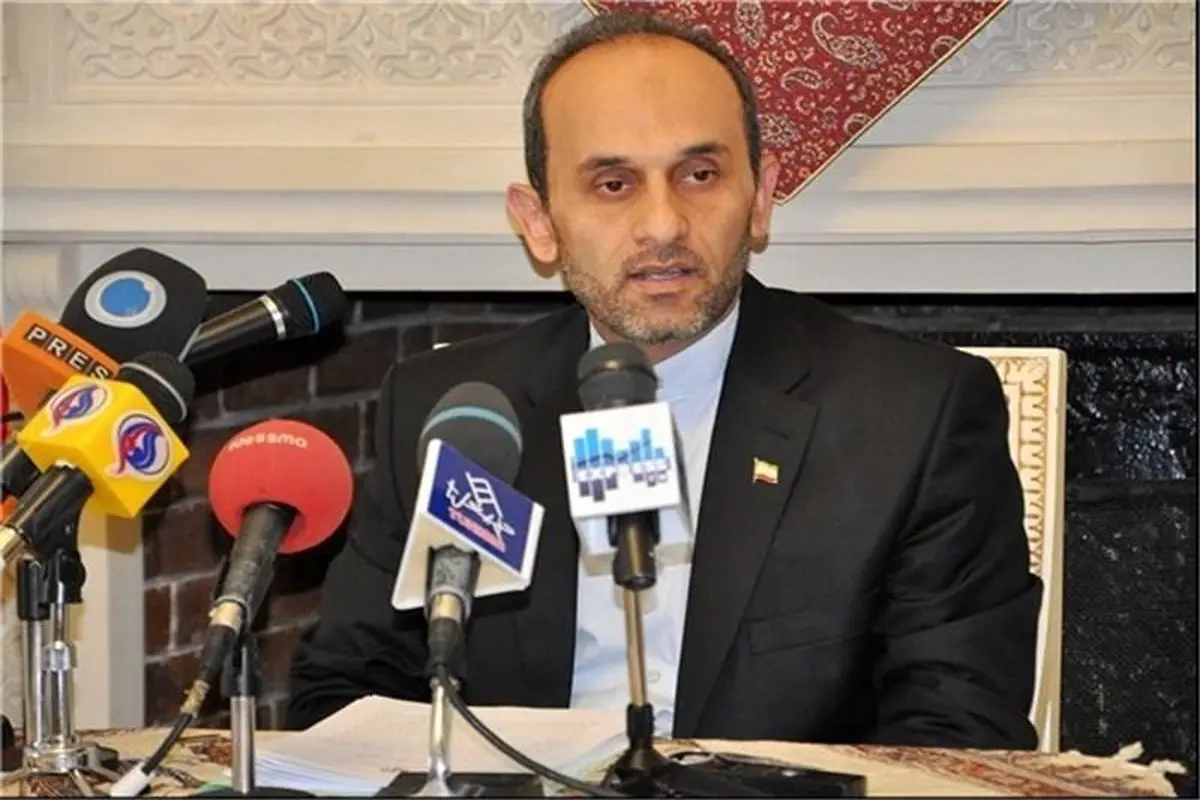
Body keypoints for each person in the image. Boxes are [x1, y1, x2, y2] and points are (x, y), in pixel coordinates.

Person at [286, 10, 1041, 750]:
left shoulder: (914, 415)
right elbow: (346, 692)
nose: (664, 225)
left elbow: (959, 736)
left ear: (760, 198)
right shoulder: (455, 413)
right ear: (539, 222)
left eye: (700, 175)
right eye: (613, 184)